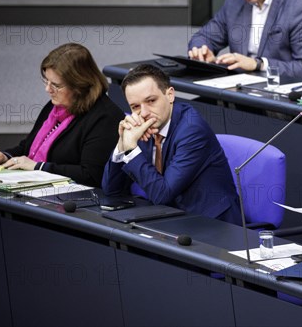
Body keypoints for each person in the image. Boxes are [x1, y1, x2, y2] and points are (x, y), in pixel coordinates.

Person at [101, 64, 241, 224]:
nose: (144, 113)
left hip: (213, 224)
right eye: (135, 107)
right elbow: (111, 190)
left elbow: (162, 194)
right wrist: (122, 144)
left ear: (170, 95)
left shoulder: (192, 130)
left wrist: (132, 149)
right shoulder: (140, 125)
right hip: (171, 216)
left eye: (151, 100)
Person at [0, 43, 123, 188]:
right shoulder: (55, 106)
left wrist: (39, 167)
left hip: (71, 201)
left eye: (56, 85)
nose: (47, 89)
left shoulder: (105, 117)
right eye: (46, 81)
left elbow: (91, 175)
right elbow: (28, 147)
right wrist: (5, 156)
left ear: (80, 85)